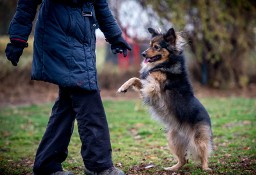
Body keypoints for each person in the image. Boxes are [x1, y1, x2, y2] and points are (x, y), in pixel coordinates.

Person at [5, 0, 131, 175]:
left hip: (82, 39)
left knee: (67, 104)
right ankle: (98, 164)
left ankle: (46, 165)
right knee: (87, 96)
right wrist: (17, 39)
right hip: (56, 36)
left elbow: (101, 7)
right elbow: (27, 3)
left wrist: (115, 37)